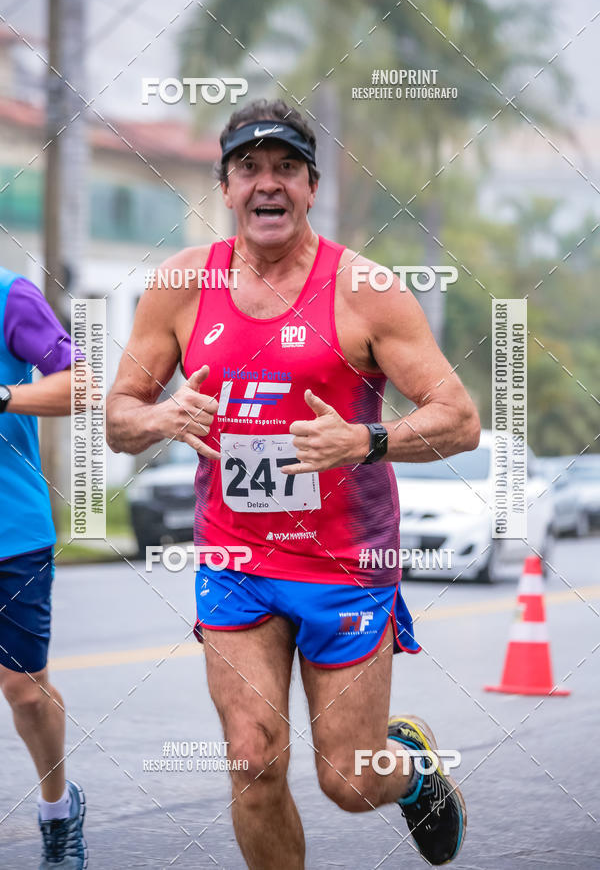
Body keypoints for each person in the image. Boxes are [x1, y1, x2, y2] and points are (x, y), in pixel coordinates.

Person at [106, 98, 480, 868]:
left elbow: (459, 418)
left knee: (349, 779)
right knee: (252, 759)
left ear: (312, 187)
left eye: (286, 168)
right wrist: (165, 416)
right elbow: (118, 417)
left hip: (346, 564)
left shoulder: (366, 289)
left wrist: (365, 441)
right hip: (236, 558)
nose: (267, 183)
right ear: (226, 187)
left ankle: (413, 772)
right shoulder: (182, 283)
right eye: (249, 168)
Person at [0, 268, 87, 869]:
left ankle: (59, 808)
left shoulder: (11, 296)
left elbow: (80, 385)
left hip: (12, 532)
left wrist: (4, 396)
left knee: (24, 693)